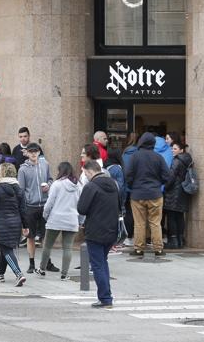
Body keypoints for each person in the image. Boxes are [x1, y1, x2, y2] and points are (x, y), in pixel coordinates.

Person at [77, 160, 119, 308]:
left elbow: (81, 208)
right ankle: (107, 295)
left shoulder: (91, 186)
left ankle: (105, 298)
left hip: (95, 230)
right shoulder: (113, 184)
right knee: (103, 262)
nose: (86, 176)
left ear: (89, 171)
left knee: (97, 265)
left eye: (85, 173)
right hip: (111, 230)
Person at [125, 132, 171, 257]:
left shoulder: (134, 157)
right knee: (155, 222)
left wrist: (132, 186)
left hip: (137, 194)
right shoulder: (158, 157)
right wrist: (158, 184)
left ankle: (139, 249)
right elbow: (167, 176)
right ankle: (158, 249)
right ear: (153, 144)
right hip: (155, 194)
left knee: (139, 223)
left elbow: (128, 175)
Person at [36, 162, 80, 280]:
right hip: (71, 219)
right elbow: (80, 204)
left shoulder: (57, 184)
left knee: (47, 246)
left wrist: (45, 215)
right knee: (68, 247)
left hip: (55, 218)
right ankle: (64, 274)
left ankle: (42, 269)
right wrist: (80, 220)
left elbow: (49, 203)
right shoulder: (78, 185)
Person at [17, 142, 56, 273]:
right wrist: (23, 206)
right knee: (31, 236)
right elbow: (21, 190)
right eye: (31, 151)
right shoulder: (23, 169)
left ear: (39, 152)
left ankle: (47, 262)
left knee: (46, 236)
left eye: (36, 151)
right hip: (30, 206)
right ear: (27, 153)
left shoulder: (45, 164)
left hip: (44, 205)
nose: (34, 153)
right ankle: (31, 263)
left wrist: (48, 186)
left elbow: (51, 179)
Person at [163, 142, 192, 249]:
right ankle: (180, 240)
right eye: (172, 149)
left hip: (174, 192)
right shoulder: (187, 160)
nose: (172, 150)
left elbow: (171, 177)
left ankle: (173, 241)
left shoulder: (176, 161)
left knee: (171, 217)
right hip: (182, 192)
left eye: (175, 149)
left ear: (181, 150)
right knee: (179, 216)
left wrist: (165, 187)